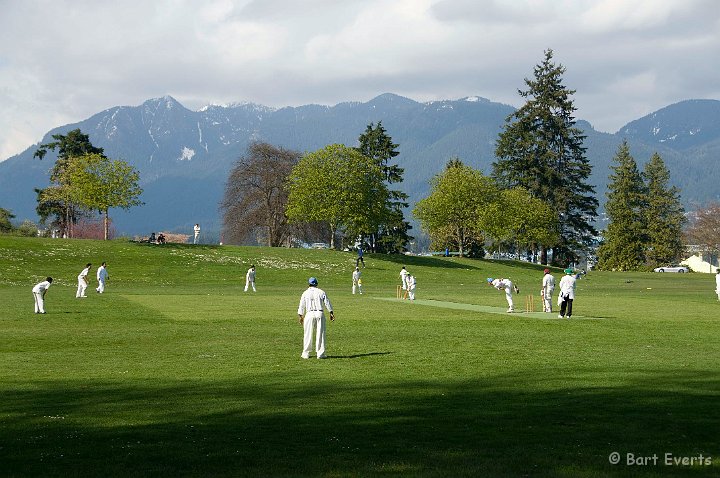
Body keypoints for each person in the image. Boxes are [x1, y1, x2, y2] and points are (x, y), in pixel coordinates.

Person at [297, 277, 335, 359]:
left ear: (308, 284)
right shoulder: (321, 292)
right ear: (316, 284)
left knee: (307, 334)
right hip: (320, 313)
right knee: (320, 333)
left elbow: (301, 305)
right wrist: (331, 313)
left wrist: (300, 316)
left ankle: (306, 353)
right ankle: (320, 354)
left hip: (309, 313)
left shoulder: (305, 293)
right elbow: (327, 303)